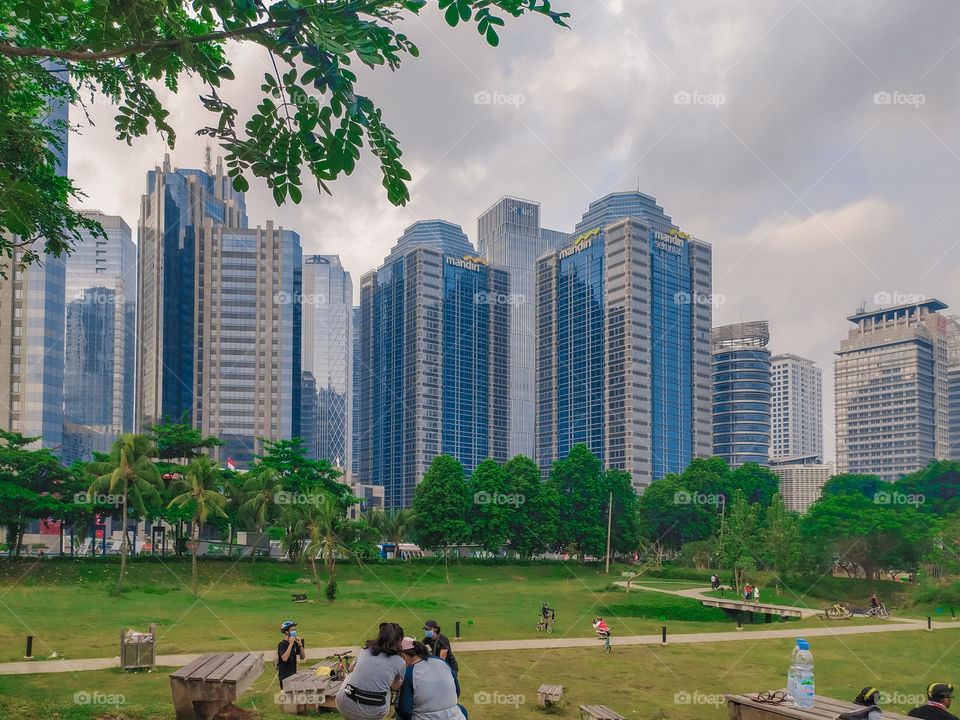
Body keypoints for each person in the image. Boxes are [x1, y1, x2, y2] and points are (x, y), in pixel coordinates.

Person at [335, 622, 407, 720]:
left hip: (344, 705)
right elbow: (394, 687)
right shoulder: (400, 662)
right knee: (386, 688)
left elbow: (351, 669)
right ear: (399, 640)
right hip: (375, 712)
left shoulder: (365, 651)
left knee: (351, 675)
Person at [396, 638, 467, 720]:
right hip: (454, 717)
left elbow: (405, 711)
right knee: (461, 709)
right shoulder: (442, 662)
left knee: (400, 717)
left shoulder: (409, 673)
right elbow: (457, 692)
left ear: (404, 656)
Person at [277, 620, 305, 689]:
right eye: (292, 630)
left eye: (295, 630)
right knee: (286, 697)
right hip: (285, 677)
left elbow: (302, 657)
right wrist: (290, 644)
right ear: (286, 632)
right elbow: (284, 658)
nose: (294, 632)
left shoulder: (296, 642)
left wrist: (300, 645)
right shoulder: (282, 644)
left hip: (294, 675)